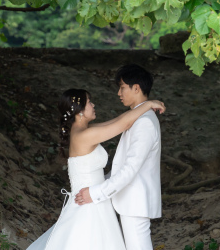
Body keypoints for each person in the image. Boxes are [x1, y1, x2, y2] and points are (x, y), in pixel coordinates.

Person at [27, 87, 165, 250]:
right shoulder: (84, 136)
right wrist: (148, 104)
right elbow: (124, 123)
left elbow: (119, 120)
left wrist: (145, 105)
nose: (93, 105)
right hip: (90, 204)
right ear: (79, 111)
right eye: (89, 102)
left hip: (95, 199)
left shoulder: (84, 131)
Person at [75, 65, 161, 250]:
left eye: (122, 87)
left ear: (136, 88)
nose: (118, 93)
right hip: (129, 200)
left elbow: (129, 170)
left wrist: (96, 193)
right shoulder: (138, 117)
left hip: (135, 202)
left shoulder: (144, 122)